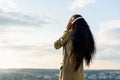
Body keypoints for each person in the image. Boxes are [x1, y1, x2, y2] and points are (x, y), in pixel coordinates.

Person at [54, 14, 96, 80]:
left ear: (71, 23)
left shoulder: (69, 34)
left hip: (67, 74)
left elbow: (56, 45)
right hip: (79, 74)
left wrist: (67, 30)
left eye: (69, 20)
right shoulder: (85, 37)